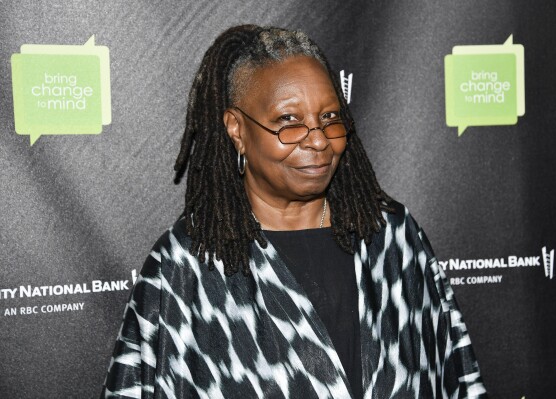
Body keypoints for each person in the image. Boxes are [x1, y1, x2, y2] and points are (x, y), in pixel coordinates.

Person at [101, 25, 487, 399]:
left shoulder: (393, 240)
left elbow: (458, 378)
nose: (318, 139)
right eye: (289, 122)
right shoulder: (186, 266)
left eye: (330, 118)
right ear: (237, 129)